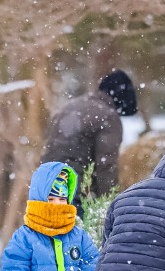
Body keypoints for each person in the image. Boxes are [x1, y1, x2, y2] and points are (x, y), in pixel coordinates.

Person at [41, 69, 138, 214]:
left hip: (45, 186)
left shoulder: (71, 106)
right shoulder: (108, 116)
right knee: (75, 234)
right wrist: (110, 205)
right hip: (74, 191)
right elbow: (106, 165)